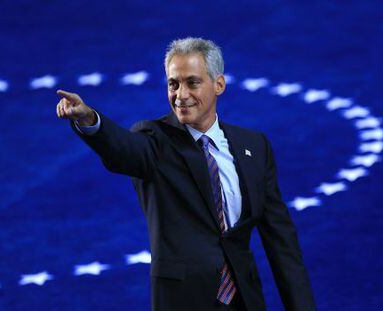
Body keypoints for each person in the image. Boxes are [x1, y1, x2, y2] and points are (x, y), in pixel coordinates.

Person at [56, 37, 316, 311]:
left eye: (192, 82)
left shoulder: (254, 146)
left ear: (219, 84)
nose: (181, 95)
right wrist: (90, 121)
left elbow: (281, 242)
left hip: (244, 299)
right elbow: (122, 149)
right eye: (173, 84)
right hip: (183, 301)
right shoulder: (154, 140)